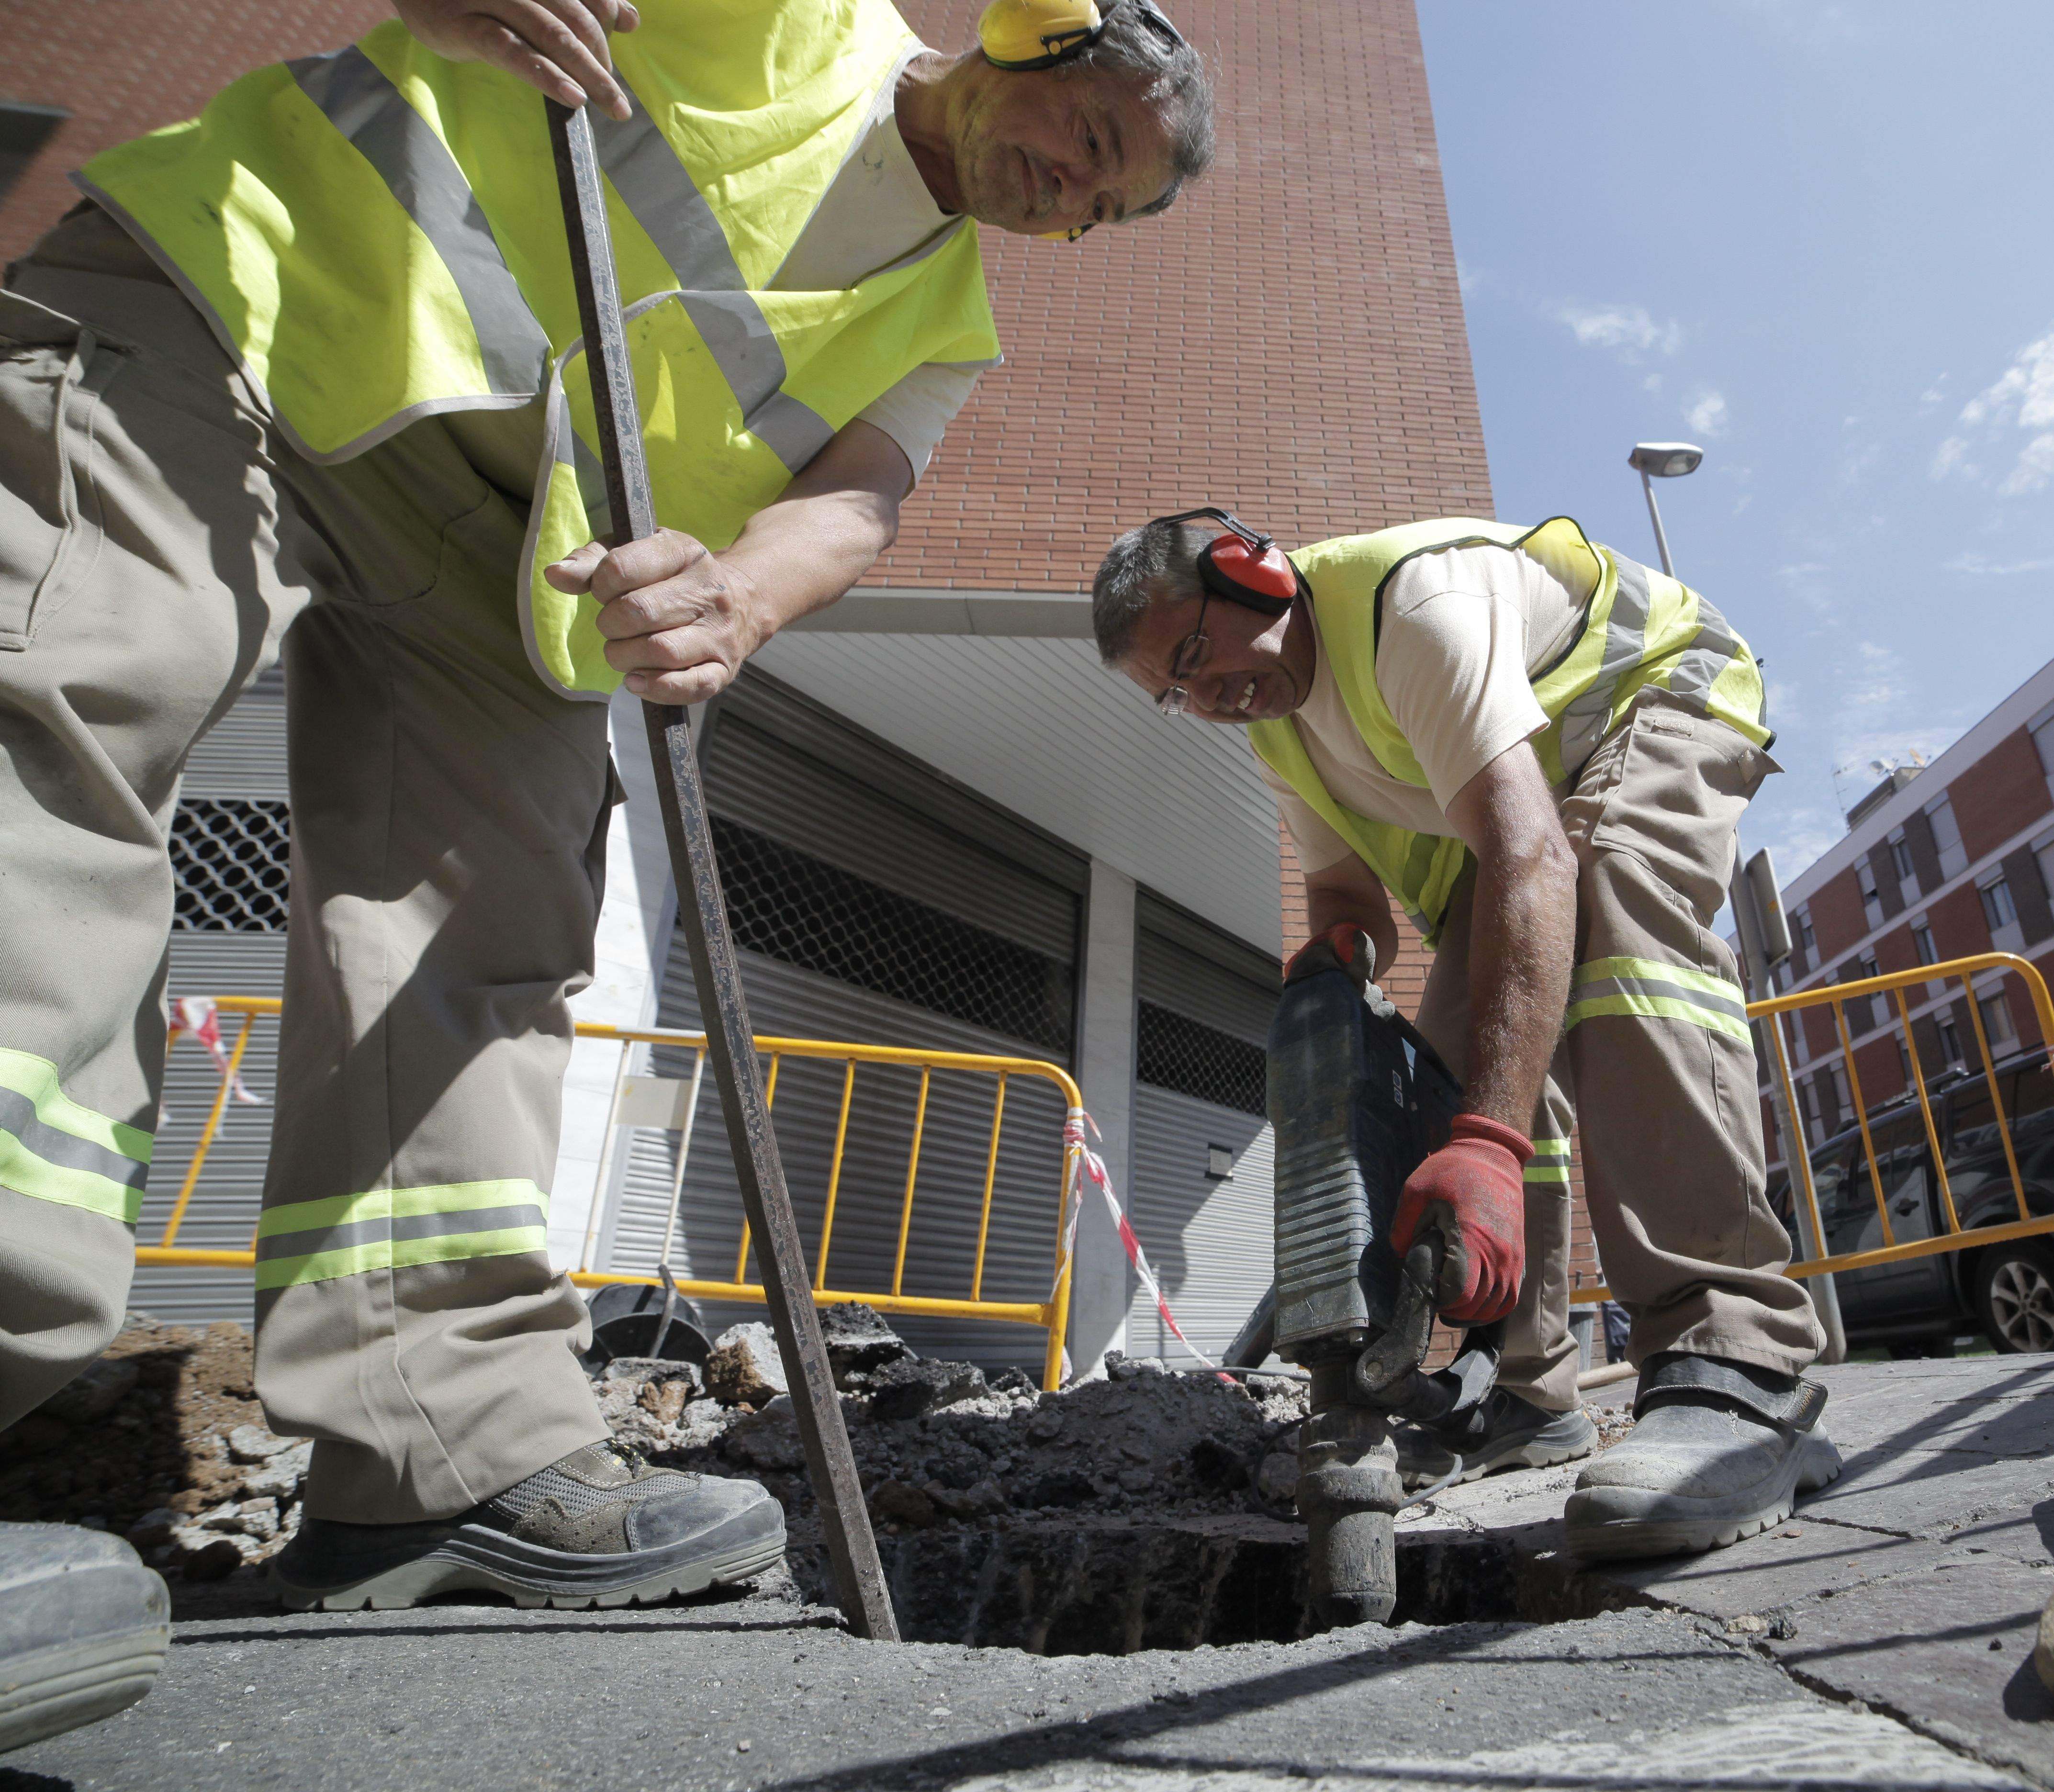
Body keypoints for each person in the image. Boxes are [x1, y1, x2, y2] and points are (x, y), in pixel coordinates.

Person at [0, 0, 1215, 1696]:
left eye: (1104, 211)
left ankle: (442, 1458)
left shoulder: (938, 319)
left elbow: (855, 493)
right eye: (1090, 144)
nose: (1069, 203)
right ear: (1027, 34)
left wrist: (733, 594)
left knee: (475, 951)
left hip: (518, 555)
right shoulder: (796, 19)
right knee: (52, 699)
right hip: (250, 304)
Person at [1090, 510, 1838, 1562]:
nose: (1206, 698)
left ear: (1252, 574)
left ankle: (1738, 1363)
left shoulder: (1415, 610)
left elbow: (1534, 856)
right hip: (1520, 816)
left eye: (1200, 655)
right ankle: (1531, 1397)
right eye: (1176, 692)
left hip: (1644, 699)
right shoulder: (1278, 727)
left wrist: (1491, 1143)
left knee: (1614, 908)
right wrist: (1333, 1008)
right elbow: (1348, 895)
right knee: (1448, 1072)